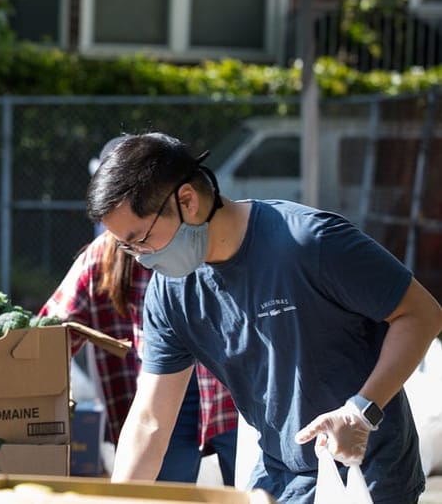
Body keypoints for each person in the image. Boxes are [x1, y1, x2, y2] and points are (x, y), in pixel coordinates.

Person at [87, 132, 442, 503]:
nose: (141, 257)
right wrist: (117, 500)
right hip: (279, 477)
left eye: (141, 239)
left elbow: (422, 314)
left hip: (365, 473)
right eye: (128, 248)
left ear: (188, 201)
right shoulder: (170, 293)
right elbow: (150, 420)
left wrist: (361, 411)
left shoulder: (308, 242)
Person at [41, 230, 238, 485]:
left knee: (256, 486)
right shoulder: (104, 255)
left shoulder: (203, 239)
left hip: (226, 389)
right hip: (161, 395)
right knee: (163, 490)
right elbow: (51, 334)